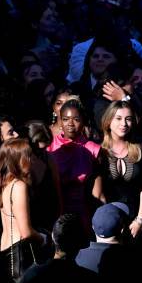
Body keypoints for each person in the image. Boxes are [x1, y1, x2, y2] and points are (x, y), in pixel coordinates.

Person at [0, 138, 46, 283]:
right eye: (28, 156)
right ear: (17, 159)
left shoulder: (3, 184)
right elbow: (26, 231)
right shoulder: (19, 186)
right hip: (20, 256)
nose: (32, 160)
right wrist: (43, 239)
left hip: (3, 252)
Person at [47, 99, 102, 236]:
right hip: (53, 208)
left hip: (83, 210)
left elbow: (98, 192)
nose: (70, 124)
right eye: (65, 119)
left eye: (76, 119)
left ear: (83, 121)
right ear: (60, 121)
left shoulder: (93, 149)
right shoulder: (50, 147)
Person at [99, 101, 142, 239]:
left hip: (134, 221)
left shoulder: (140, 149)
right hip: (106, 221)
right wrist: (107, 221)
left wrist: (140, 219)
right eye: (118, 118)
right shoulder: (99, 151)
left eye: (128, 119)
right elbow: (97, 193)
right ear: (108, 121)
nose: (124, 123)